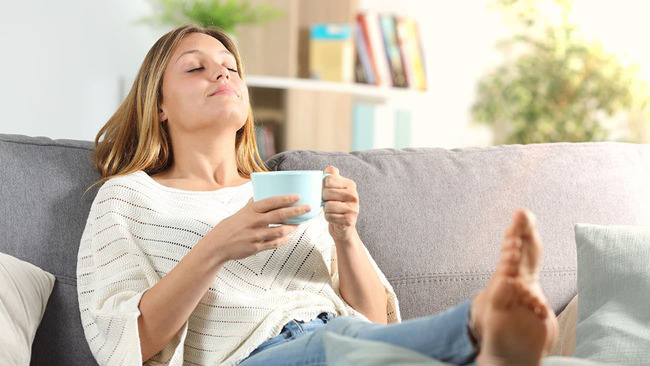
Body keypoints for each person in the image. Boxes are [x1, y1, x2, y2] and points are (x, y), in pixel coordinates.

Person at [76, 24, 558, 366]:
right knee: (342, 343)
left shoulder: (286, 192)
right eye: (196, 69)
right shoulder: (128, 199)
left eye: (229, 67)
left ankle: (490, 347)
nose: (222, 74)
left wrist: (345, 235)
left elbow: (373, 319)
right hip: (258, 356)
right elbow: (126, 344)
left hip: (343, 335)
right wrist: (217, 246)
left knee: (350, 337)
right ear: (158, 104)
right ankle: (477, 324)